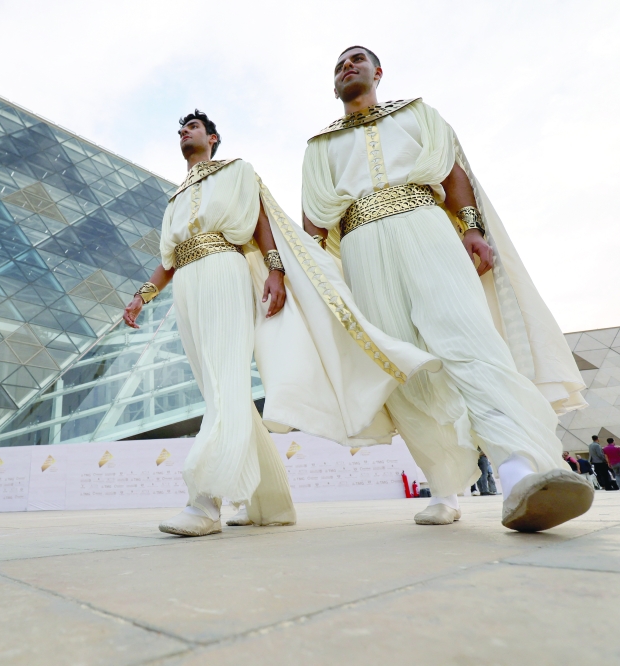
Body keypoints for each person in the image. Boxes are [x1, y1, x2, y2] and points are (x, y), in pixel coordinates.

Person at [300, 45, 593, 532]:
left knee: (469, 339)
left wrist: (472, 229)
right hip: (359, 246)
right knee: (404, 367)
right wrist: (313, 272)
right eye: (338, 65)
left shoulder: (418, 115)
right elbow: (314, 215)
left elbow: (451, 172)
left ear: (378, 71)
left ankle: (520, 468)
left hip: (426, 225)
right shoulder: (318, 146)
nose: (347, 67)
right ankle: (444, 487)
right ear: (334, 84)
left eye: (356, 59)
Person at [124, 110, 440, 536]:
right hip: (186, 287)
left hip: (224, 271)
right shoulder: (175, 198)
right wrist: (142, 298)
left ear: (213, 137)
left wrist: (276, 271)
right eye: (180, 129)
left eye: (193, 127)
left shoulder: (237, 172)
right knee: (215, 389)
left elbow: (259, 223)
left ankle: (204, 501)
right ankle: (269, 503)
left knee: (226, 385)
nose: (184, 133)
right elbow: (168, 261)